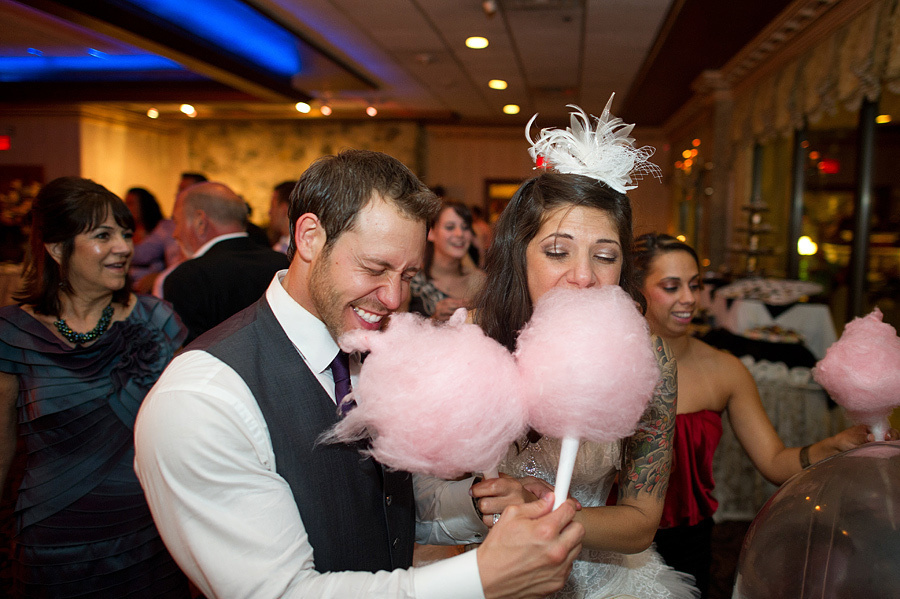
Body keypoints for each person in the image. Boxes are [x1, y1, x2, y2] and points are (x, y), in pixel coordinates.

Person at [134, 149, 584, 599]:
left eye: (408, 275)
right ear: (309, 236)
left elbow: (383, 503)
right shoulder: (201, 399)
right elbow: (281, 592)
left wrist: (475, 502)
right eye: (375, 268)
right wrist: (481, 578)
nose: (392, 297)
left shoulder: (368, 353)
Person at [472, 102, 697, 598]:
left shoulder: (649, 360)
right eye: (557, 251)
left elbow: (640, 521)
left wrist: (543, 512)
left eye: (605, 256)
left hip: (603, 576)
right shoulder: (471, 341)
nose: (583, 275)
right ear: (519, 254)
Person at [633, 232, 897, 598]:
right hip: (613, 543)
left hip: (689, 544)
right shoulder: (609, 365)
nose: (690, 298)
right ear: (634, 290)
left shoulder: (724, 368)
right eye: (671, 286)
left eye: (695, 285)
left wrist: (837, 444)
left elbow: (774, 462)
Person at [0, 177, 189, 597]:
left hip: (149, 537)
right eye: (103, 235)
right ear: (55, 247)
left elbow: (187, 433)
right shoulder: (12, 334)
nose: (124, 246)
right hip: (52, 541)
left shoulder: (159, 321)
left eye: (125, 233)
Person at [163, 181, 289, 342]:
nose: (174, 234)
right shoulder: (283, 263)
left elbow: (189, 358)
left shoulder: (186, 278)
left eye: (176, 222)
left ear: (201, 222)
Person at [409, 201, 486, 321]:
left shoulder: (481, 282)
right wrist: (434, 320)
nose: (459, 234)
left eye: (465, 227)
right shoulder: (411, 281)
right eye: (450, 227)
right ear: (431, 232)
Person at [124, 187, 181, 284]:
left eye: (130, 203)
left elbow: (144, 254)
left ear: (143, 205)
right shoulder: (126, 229)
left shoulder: (164, 228)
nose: (126, 208)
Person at [269, 180, 295, 254]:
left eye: (272, 206)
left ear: (284, 209)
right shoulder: (280, 246)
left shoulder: (299, 248)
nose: (269, 212)